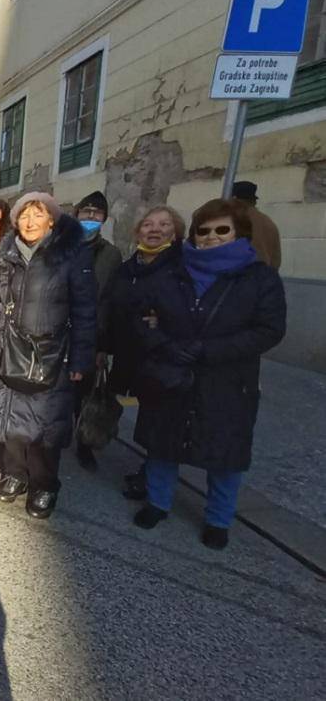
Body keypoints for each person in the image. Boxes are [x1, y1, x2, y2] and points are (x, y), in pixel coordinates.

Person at [131, 198, 286, 549]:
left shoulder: (258, 276)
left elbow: (269, 329)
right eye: (204, 230)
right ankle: (157, 503)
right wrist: (166, 343)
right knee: (163, 445)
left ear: (238, 234)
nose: (212, 237)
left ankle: (218, 519)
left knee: (225, 455)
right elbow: (141, 315)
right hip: (173, 371)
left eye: (222, 230)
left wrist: (210, 350)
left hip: (228, 381)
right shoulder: (173, 270)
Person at [0, 192, 97, 519]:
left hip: (50, 353)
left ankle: (44, 485)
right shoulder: (7, 251)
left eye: (37, 215)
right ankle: (15, 474)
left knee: (44, 427)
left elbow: (85, 311)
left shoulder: (71, 254)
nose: (29, 222)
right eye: (23, 216)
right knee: (9, 419)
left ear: (52, 220)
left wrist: (81, 360)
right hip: (6, 346)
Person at [104, 205, 186, 500]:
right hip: (129, 352)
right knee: (140, 414)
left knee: (158, 421)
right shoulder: (129, 267)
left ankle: (152, 477)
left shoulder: (181, 267)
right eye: (148, 224)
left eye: (164, 224)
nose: (154, 229)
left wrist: (164, 323)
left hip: (161, 355)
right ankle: (148, 470)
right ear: (138, 231)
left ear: (176, 233)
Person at [72, 190, 123, 471]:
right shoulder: (63, 247)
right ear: (77, 215)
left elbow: (111, 303)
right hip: (61, 332)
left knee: (85, 393)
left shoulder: (111, 255)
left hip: (92, 335)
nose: (90, 217)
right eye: (86, 212)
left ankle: (83, 444)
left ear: (103, 219)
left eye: (96, 214)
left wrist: (104, 346)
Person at [232, 180, 281, 270]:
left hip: (241, 277)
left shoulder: (234, 219)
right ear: (254, 201)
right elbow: (276, 259)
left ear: (234, 199)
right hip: (266, 277)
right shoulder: (267, 221)